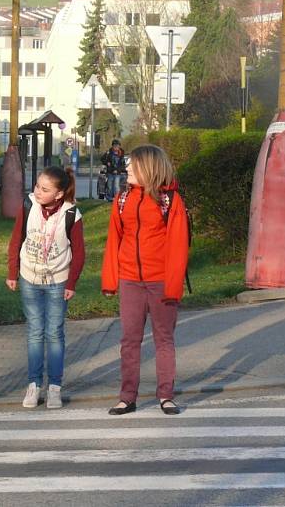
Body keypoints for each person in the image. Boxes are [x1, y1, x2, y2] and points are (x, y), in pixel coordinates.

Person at [100, 145, 189, 415]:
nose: (126, 168)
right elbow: (114, 239)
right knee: (129, 340)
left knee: (163, 339)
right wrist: (110, 280)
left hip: (161, 280)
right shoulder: (122, 199)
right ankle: (127, 396)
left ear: (148, 169)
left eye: (132, 165)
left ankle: (166, 395)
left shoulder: (170, 201)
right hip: (130, 279)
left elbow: (178, 245)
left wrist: (173, 286)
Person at [6, 166, 86, 409]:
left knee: (54, 333)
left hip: (57, 281)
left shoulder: (71, 214)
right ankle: (33, 384)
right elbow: (16, 239)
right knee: (34, 331)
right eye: (37, 186)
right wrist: (12, 272)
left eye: (44, 189)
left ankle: (54, 387)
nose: (37, 191)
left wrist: (71, 282)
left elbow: (80, 252)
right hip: (29, 277)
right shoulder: (28, 206)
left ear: (59, 194)